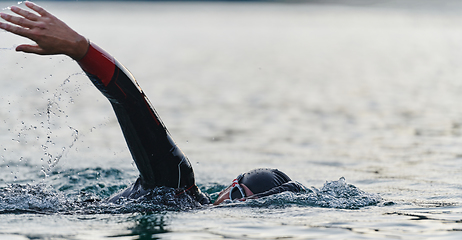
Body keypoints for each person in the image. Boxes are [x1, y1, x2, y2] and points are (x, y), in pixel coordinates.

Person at [0, 2, 305, 206]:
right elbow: (134, 105)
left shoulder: (183, 201)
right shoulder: (176, 183)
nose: (233, 203)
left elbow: (133, 105)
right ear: (228, 187)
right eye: (237, 194)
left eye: (243, 201)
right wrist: (81, 49)